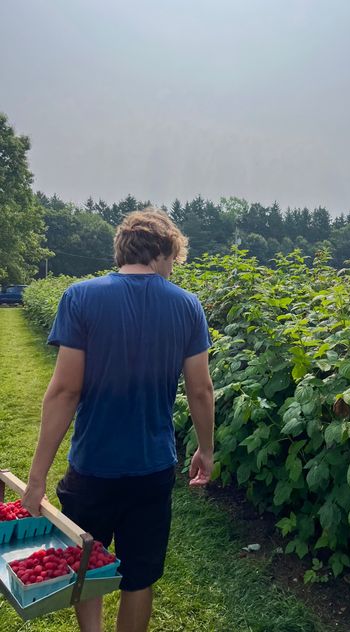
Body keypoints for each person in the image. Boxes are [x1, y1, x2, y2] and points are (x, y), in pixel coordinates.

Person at [22, 209, 215, 632]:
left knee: (86, 566)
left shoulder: (81, 297)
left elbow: (64, 391)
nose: (171, 269)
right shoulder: (187, 306)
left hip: (92, 466)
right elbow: (201, 389)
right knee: (139, 577)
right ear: (162, 252)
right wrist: (205, 449)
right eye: (172, 260)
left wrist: (36, 478)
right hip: (153, 468)